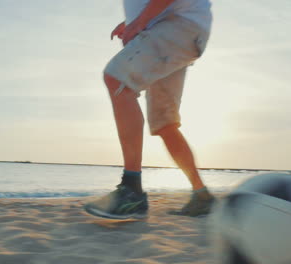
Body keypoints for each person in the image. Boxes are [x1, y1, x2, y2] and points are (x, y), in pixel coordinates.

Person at [84, 0, 215, 219]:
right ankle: (202, 196)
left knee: (117, 79)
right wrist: (132, 21)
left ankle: (131, 188)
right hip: (178, 28)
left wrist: (139, 22)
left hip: (177, 26)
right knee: (165, 124)